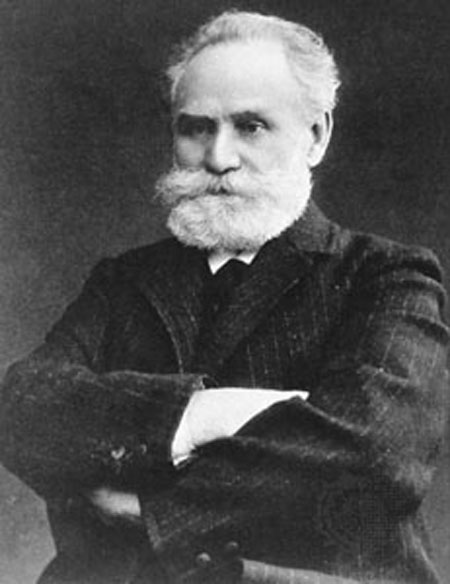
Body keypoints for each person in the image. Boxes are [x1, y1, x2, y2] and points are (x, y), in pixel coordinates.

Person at [1, 10, 448, 584]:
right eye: (196, 128)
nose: (218, 158)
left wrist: (156, 511)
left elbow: (376, 452)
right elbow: (21, 407)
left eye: (251, 127)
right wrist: (199, 417)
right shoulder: (123, 281)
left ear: (316, 136)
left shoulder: (387, 276)